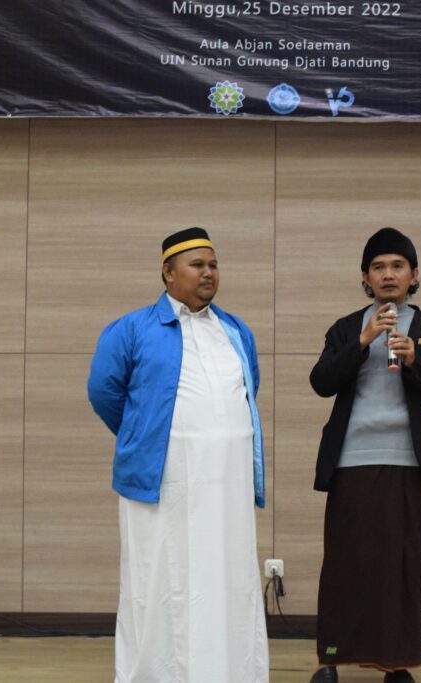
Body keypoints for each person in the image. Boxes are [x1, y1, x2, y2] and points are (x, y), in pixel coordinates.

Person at [87, 227, 269, 683]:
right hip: (162, 480)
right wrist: (146, 437)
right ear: (169, 273)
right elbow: (103, 391)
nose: (209, 273)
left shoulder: (235, 330)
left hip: (227, 482)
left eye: (214, 265)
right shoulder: (132, 329)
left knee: (226, 577)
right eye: (197, 265)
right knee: (158, 580)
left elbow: (250, 387)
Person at [308, 227, 421, 683]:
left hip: (408, 461)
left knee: (402, 565)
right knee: (344, 563)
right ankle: (330, 660)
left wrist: (415, 361)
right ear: (365, 277)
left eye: (398, 265)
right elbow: (321, 381)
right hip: (351, 461)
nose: (388, 274)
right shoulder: (345, 328)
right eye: (378, 267)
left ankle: (397, 664)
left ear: (414, 274)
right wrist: (361, 342)